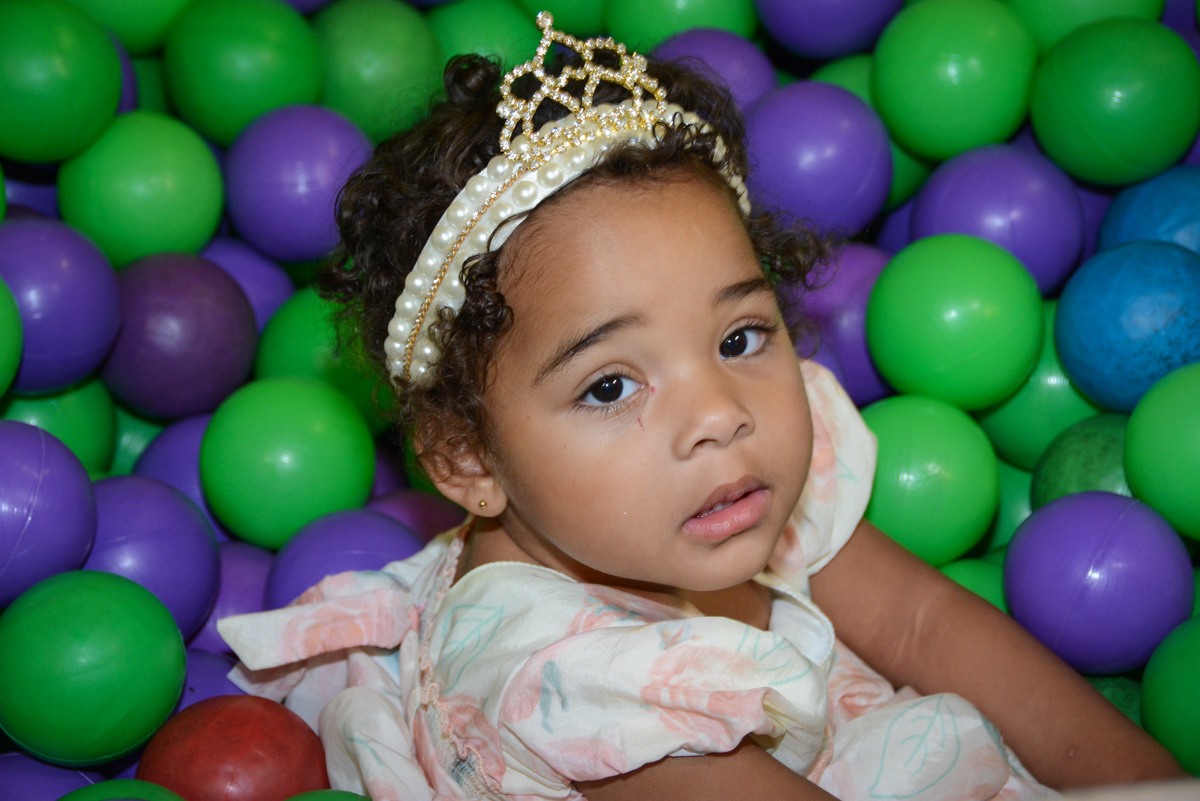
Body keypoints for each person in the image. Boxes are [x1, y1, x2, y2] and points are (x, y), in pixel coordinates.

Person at [217, 14, 1184, 801]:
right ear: (468, 457)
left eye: (738, 338)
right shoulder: (559, 680)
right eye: (609, 385)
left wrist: (1147, 775)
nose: (719, 411)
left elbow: (928, 623)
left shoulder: (735, 479)